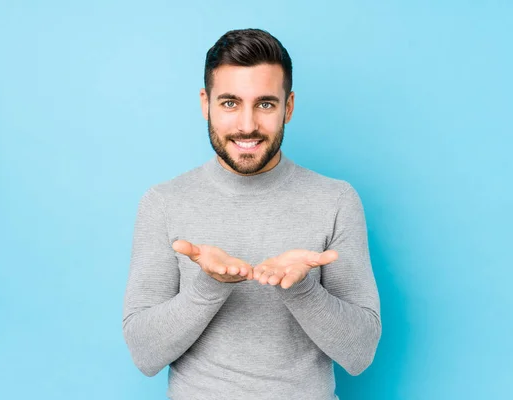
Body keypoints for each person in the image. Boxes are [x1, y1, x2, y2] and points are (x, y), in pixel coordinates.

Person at [122, 28, 382, 400]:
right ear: (205, 103)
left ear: (288, 107)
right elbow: (144, 354)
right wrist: (209, 284)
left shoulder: (336, 200)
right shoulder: (163, 202)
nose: (247, 125)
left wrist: (302, 288)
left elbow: (360, 354)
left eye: (265, 104)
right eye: (229, 103)